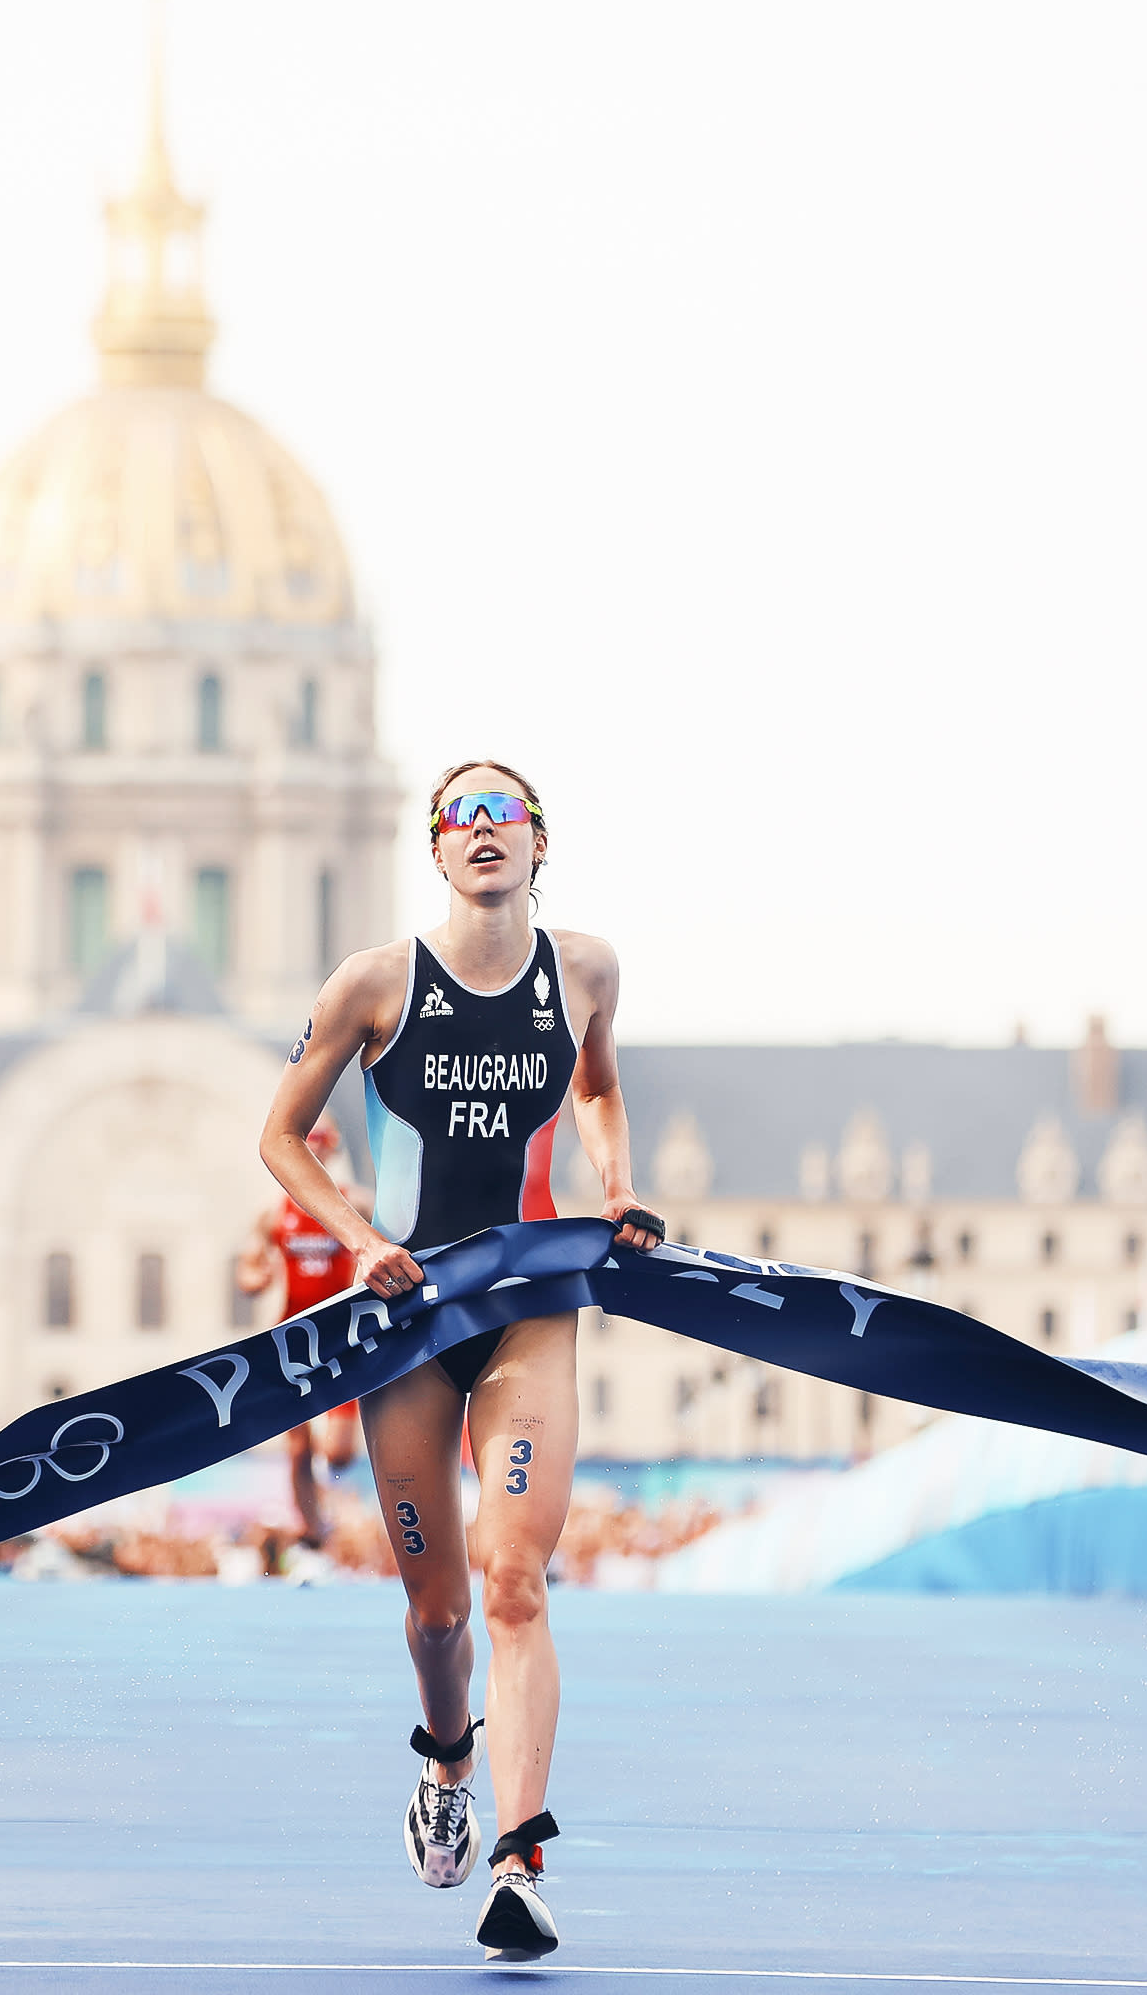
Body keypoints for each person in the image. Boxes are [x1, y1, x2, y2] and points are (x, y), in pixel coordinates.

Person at [258, 759, 660, 1963]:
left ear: (541, 843)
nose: (484, 829)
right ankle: (447, 1764)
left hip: (532, 1303)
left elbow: (596, 1087)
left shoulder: (584, 968)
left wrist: (621, 1185)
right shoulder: (374, 984)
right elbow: (280, 1136)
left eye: (505, 813)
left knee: (514, 1578)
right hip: (413, 1318)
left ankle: (522, 1858)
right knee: (437, 1612)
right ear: (434, 852)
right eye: (460, 817)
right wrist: (363, 1239)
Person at [234, 1116, 367, 1549]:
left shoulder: (356, 1204)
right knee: (297, 1448)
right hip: (292, 1334)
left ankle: (331, 1508)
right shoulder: (274, 1212)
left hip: (341, 1334)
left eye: (321, 1152)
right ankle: (312, 1529)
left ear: (331, 1154)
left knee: (340, 1452)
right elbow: (248, 1271)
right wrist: (256, 1277)